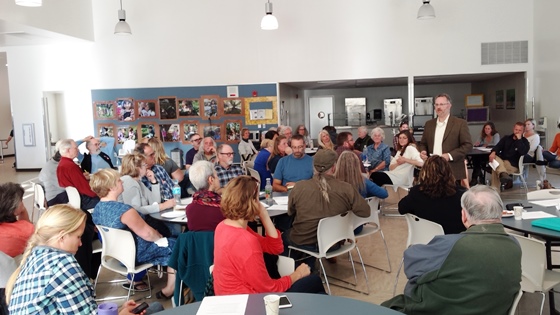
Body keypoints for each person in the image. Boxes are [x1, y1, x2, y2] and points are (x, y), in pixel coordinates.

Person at [382, 185, 521, 314]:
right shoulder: (515, 246)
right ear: (500, 213)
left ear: (464, 216)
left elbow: (411, 265)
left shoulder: (450, 245)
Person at [6, 204, 162, 315]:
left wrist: (118, 311)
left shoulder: (34, 257)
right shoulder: (64, 266)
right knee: (155, 308)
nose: (81, 243)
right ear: (62, 237)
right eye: (78, 237)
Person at [213, 176, 325, 295]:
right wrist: (297, 274)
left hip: (228, 297)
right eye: (257, 199)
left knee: (313, 284)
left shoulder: (223, 226)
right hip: (248, 302)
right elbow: (269, 289)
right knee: (314, 281)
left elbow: (275, 248)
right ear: (252, 202)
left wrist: (264, 216)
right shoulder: (246, 241)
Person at [90, 169, 176, 300]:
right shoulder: (125, 211)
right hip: (133, 255)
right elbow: (148, 234)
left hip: (116, 254)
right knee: (178, 244)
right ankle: (170, 289)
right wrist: (162, 239)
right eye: (119, 180)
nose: (122, 181)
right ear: (111, 186)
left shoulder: (97, 209)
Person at [284, 149, 370, 267]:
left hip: (304, 241)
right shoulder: (346, 189)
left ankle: (296, 270)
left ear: (313, 167)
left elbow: (290, 212)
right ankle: (308, 265)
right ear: (334, 167)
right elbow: (365, 212)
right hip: (333, 243)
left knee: (284, 235)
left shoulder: (299, 187)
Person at [398, 156, 467, 234]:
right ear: (449, 172)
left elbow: (401, 208)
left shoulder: (417, 192)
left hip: (426, 239)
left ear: (424, 172)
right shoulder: (461, 194)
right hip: (454, 240)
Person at [417, 93, 473, 182]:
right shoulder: (429, 124)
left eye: (442, 104)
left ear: (449, 106)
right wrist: (423, 151)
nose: (439, 107)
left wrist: (449, 155)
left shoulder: (460, 123)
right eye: (436, 104)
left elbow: (468, 145)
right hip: (432, 169)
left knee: (451, 194)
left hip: (452, 169)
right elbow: (423, 143)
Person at [56, 138, 100, 210]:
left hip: (72, 198)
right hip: (83, 200)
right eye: (75, 148)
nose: (78, 150)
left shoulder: (62, 164)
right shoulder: (71, 166)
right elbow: (86, 190)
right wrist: (100, 194)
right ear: (68, 150)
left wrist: (81, 177)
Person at [489, 122, 530, 190]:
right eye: (516, 129)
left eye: (520, 130)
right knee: (495, 157)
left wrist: (519, 140)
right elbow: (498, 147)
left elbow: (523, 152)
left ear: (523, 131)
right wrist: (493, 152)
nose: (517, 131)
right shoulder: (506, 138)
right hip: (502, 162)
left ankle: (494, 191)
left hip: (513, 165)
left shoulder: (525, 142)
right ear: (513, 129)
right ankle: (503, 173)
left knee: (495, 168)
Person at [186, 161, 225, 231]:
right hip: (220, 241)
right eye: (217, 176)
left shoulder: (189, 209)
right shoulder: (225, 208)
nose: (219, 179)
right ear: (211, 180)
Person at [0, 183, 34, 258]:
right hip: (15, 268)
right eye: (21, 200)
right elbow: (27, 229)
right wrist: (23, 210)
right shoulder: (24, 231)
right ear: (14, 210)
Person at [470, 122, 500, 186]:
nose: (486, 130)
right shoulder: (482, 135)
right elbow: (478, 142)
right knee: (475, 157)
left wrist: (487, 145)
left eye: (488, 129)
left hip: (491, 154)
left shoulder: (496, 135)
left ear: (492, 129)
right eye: (485, 128)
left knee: (477, 160)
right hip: (482, 153)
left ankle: (475, 177)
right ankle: (478, 174)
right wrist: (477, 144)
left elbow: (496, 144)